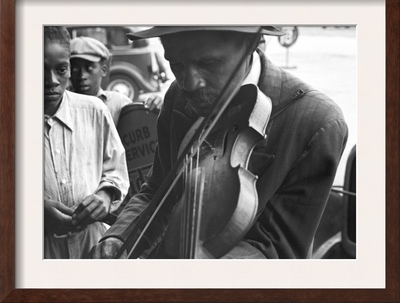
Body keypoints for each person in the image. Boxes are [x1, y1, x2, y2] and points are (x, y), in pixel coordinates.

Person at [90, 26, 348, 259]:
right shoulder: (177, 96)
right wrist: (118, 237)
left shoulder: (316, 122)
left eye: (209, 64)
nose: (189, 84)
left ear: (252, 43)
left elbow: (276, 250)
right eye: (176, 65)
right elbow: (157, 190)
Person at [44, 26, 129, 259]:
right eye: (39, 69)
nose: (51, 81)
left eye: (61, 69)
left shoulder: (95, 111)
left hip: (92, 246)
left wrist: (105, 196)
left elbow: (117, 171)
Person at [69, 36, 162, 126]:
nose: (82, 75)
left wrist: (157, 108)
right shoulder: (63, 105)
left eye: (89, 68)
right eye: (75, 69)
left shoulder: (119, 103)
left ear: (103, 70)